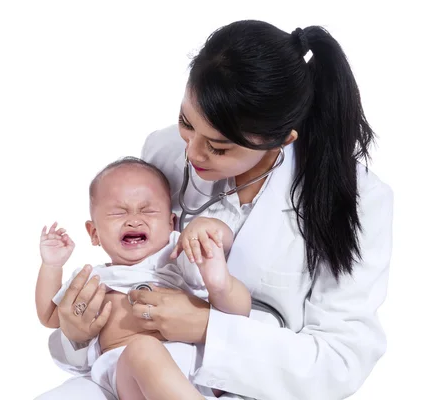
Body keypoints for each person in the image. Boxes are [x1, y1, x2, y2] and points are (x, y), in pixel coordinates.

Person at [36, 19, 394, 400]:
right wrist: (75, 333)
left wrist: (207, 327)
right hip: (134, 373)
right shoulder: (163, 152)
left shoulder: (358, 199)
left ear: (281, 139)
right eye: (185, 123)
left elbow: (337, 363)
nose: (191, 153)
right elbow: (128, 271)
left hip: (256, 384)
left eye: (219, 147)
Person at [35, 158, 251, 399]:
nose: (134, 219)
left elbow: (226, 245)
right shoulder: (90, 278)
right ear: (94, 233)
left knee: (144, 349)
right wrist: (52, 266)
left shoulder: (175, 256)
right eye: (118, 212)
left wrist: (206, 227)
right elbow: (50, 316)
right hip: (116, 377)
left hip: (184, 365)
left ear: (172, 224)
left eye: (148, 210)